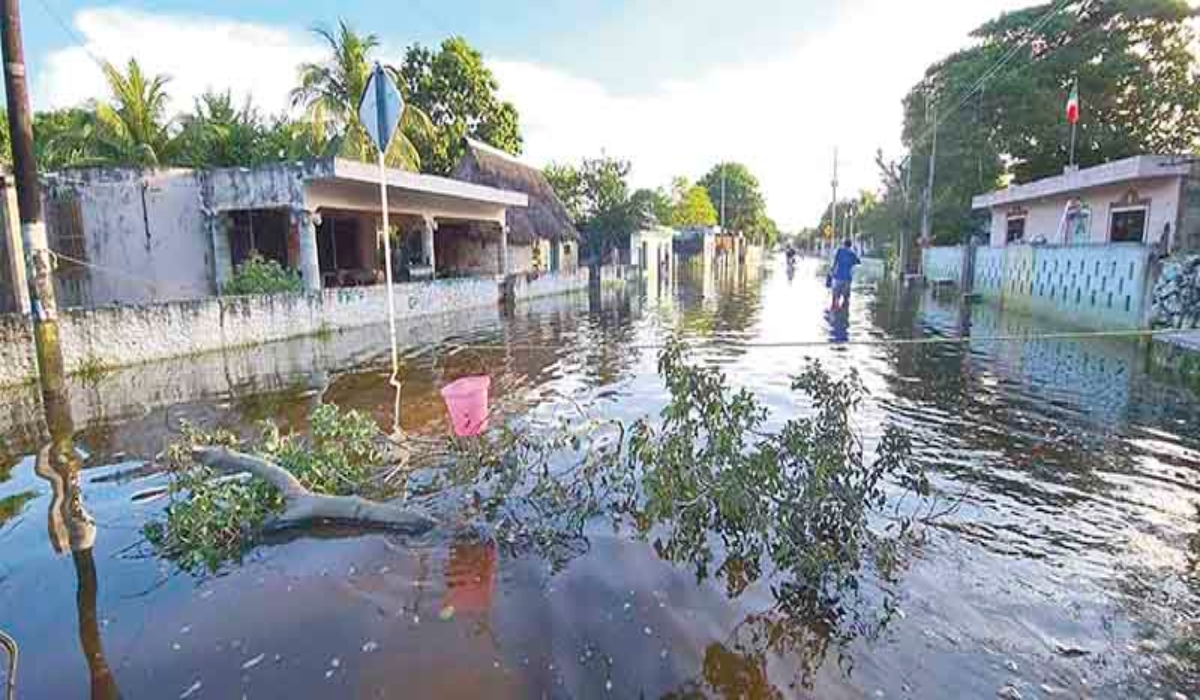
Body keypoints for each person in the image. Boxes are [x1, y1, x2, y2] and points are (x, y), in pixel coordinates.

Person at [828, 239, 860, 312]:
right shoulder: (852, 253)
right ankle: (844, 313)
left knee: (835, 296)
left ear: (844, 244)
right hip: (847, 278)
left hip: (838, 277)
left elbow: (835, 261)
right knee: (846, 298)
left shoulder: (839, 250)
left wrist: (831, 270)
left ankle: (834, 309)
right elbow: (858, 262)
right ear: (850, 245)